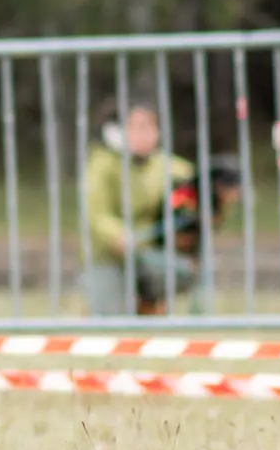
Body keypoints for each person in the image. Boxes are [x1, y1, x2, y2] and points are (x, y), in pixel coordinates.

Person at [84, 91, 199, 317]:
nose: (147, 135)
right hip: (110, 256)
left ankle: (150, 301)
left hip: (149, 254)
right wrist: (118, 236)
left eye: (151, 127)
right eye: (138, 127)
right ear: (116, 131)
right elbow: (97, 216)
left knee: (185, 271)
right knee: (107, 320)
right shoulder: (101, 164)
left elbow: (195, 185)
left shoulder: (168, 166)